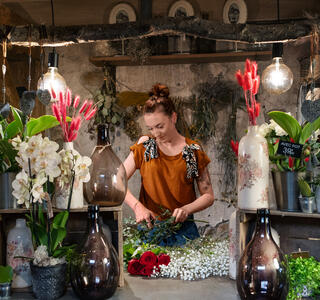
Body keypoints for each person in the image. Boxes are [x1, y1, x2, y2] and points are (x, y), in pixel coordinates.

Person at [123, 83, 214, 246]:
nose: (155, 134)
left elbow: (208, 196)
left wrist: (187, 209)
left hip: (184, 233)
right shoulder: (146, 146)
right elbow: (116, 180)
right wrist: (137, 207)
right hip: (151, 230)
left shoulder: (191, 151)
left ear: (173, 117)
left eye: (160, 126)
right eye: (151, 128)